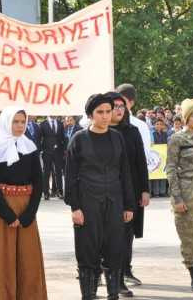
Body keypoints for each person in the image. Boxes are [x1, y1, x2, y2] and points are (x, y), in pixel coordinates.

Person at [65, 93, 135, 300]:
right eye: (100, 112)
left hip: (114, 202)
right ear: (90, 114)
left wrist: (129, 205)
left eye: (108, 111)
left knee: (115, 249)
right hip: (88, 203)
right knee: (88, 252)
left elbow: (125, 173)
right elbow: (70, 177)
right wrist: (75, 207)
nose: (105, 116)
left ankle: (113, 294)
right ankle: (89, 295)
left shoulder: (117, 137)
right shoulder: (79, 139)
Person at [0, 107, 47, 300]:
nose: (20, 126)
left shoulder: (30, 146)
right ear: (6, 122)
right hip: (3, 210)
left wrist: (28, 214)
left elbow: (38, 182)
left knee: (28, 259)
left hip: (26, 209)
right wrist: (8, 215)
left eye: (22, 122)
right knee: (3, 259)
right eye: (15, 122)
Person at [107, 92, 150, 295]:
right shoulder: (98, 131)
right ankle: (107, 274)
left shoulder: (132, 132)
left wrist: (144, 190)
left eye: (121, 106)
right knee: (106, 236)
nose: (118, 109)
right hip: (104, 192)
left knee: (126, 235)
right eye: (113, 105)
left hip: (129, 192)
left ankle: (122, 274)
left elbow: (140, 162)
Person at [166, 98, 193, 293]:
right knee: (188, 235)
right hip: (186, 191)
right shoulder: (177, 139)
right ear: (185, 118)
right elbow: (171, 169)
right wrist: (177, 198)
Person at [39, 116, 66, 200]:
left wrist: (64, 149)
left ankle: (60, 192)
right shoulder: (43, 124)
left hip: (58, 152)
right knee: (46, 172)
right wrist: (41, 150)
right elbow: (40, 138)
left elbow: (62, 137)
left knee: (58, 172)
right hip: (47, 152)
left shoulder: (60, 123)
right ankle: (46, 193)